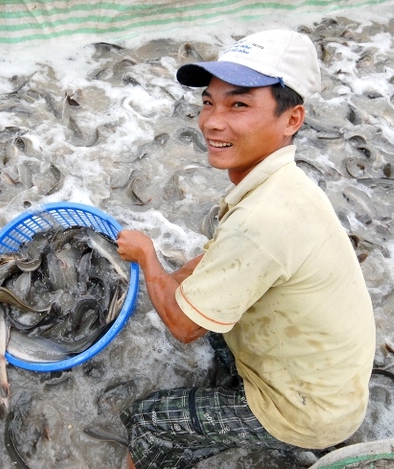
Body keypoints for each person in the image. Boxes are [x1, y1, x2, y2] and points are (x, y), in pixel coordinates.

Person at [116, 29, 376, 469]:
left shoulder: (264, 221)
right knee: (210, 312)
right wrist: (176, 278)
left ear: (292, 119)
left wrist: (148, 258)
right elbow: (227, 252)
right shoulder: (283, 184)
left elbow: (182, 327)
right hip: (325, 374)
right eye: (208, 102)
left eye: (238, 104)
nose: (211, 122)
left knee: (142, 420)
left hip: (308, 412)